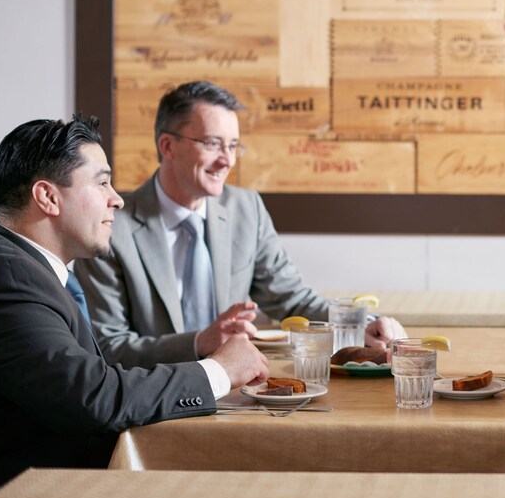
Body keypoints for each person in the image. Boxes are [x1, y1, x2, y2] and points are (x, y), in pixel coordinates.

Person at [0, 115, 269, 498]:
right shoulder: (8, 277)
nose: (117, 198)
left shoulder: (15, 263)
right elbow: (94, 396)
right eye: (102, 182)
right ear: (47, 197)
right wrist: (219, 370)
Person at [74, 81, 406, 369]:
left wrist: (362, 323)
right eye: (213, 144)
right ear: (168, 146)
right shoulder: (111, 223)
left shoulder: (246, 210)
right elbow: (108, 346)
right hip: (154, 400)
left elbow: (292, 298)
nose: (227, 160)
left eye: (233, 146)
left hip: (240, 387)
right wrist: (199, 343)